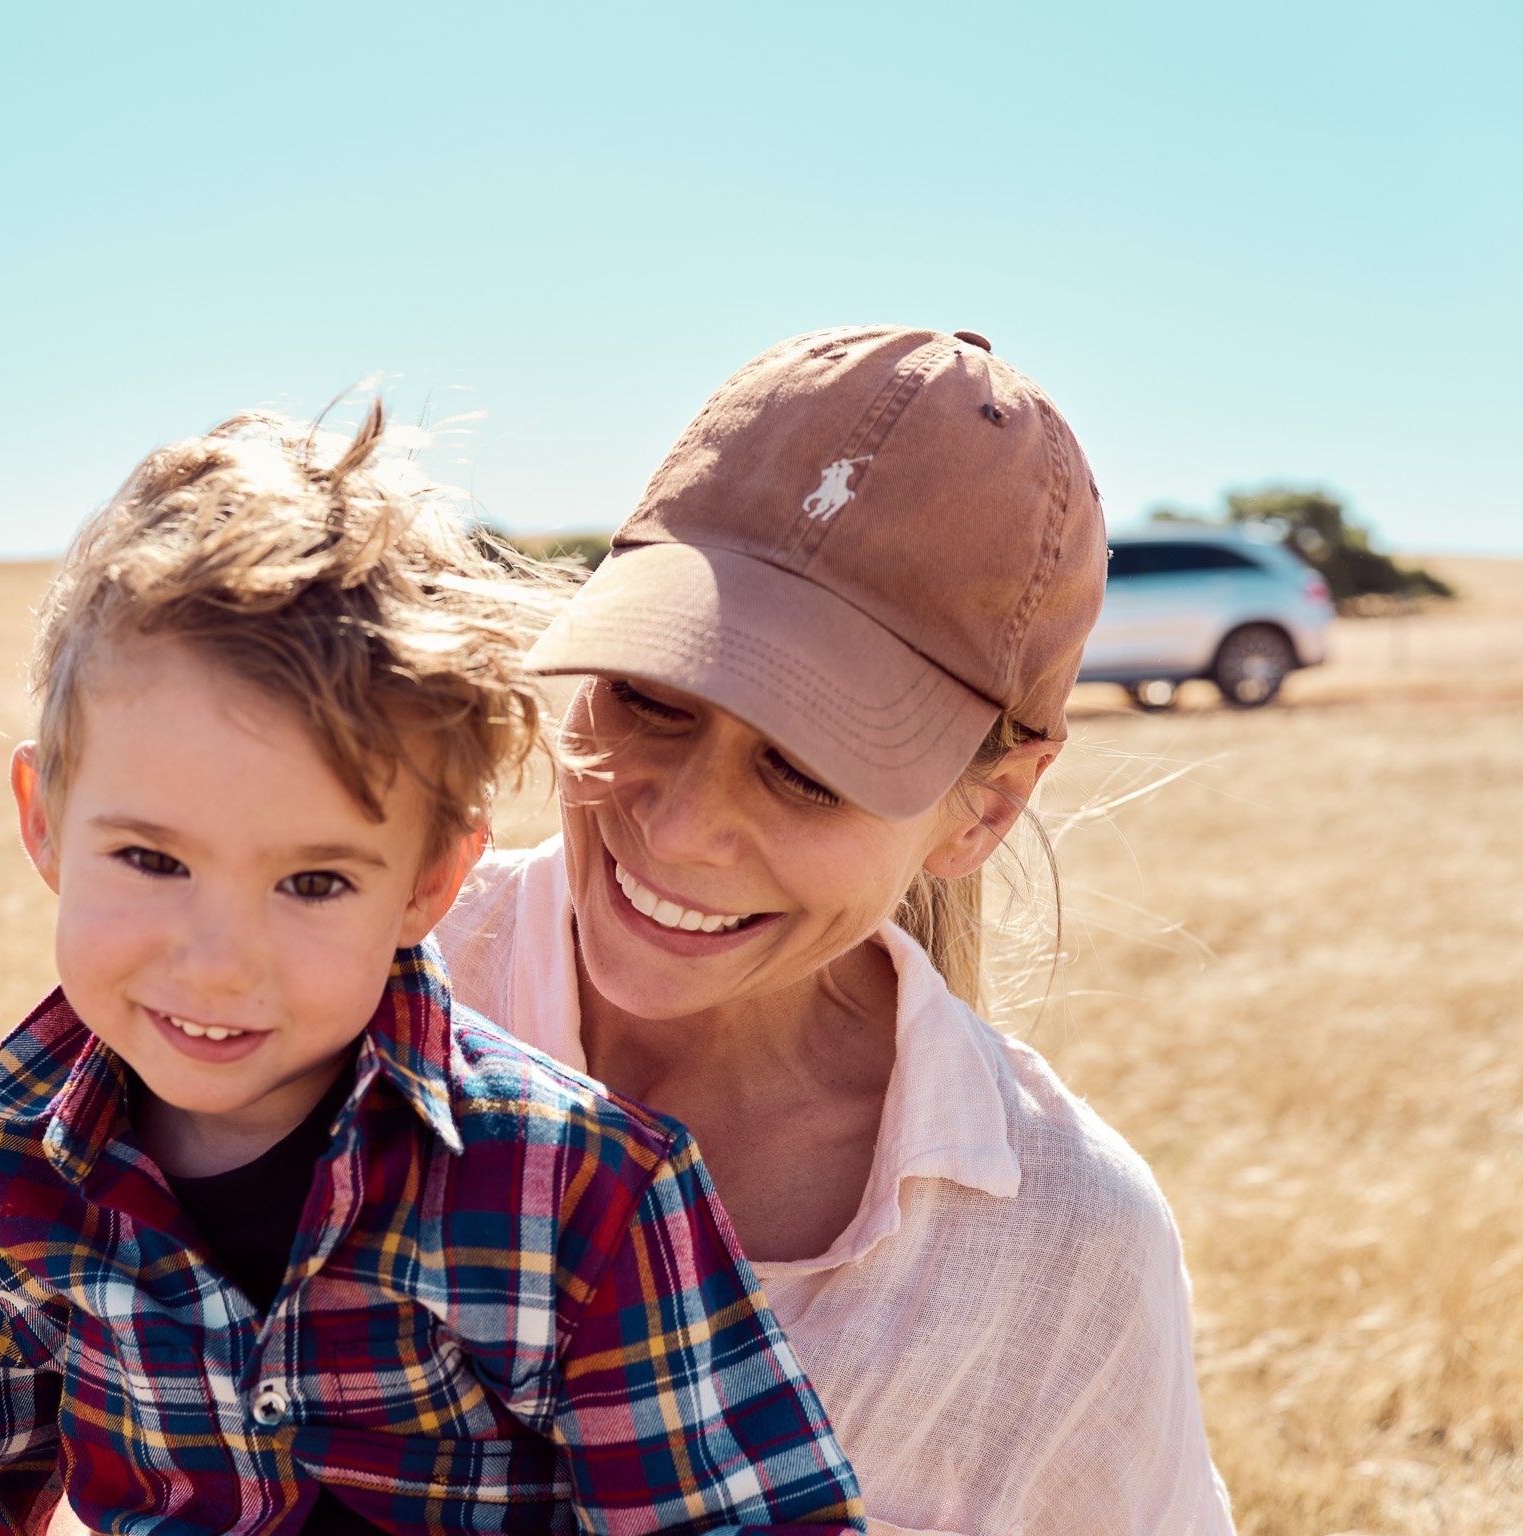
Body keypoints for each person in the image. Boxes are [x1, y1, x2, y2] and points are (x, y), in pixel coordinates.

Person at [0, 407, 869, 1535]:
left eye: (313, 883)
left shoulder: (580, 1200)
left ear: (429, 882)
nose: (216, 960)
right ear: (42, 820)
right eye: (152, 859)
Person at [433, 326, 1238, 1535]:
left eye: (805, 771)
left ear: (985, 810)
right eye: (647, 696)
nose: (686, 825)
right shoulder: (350, 986)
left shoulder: (1060, 1243)